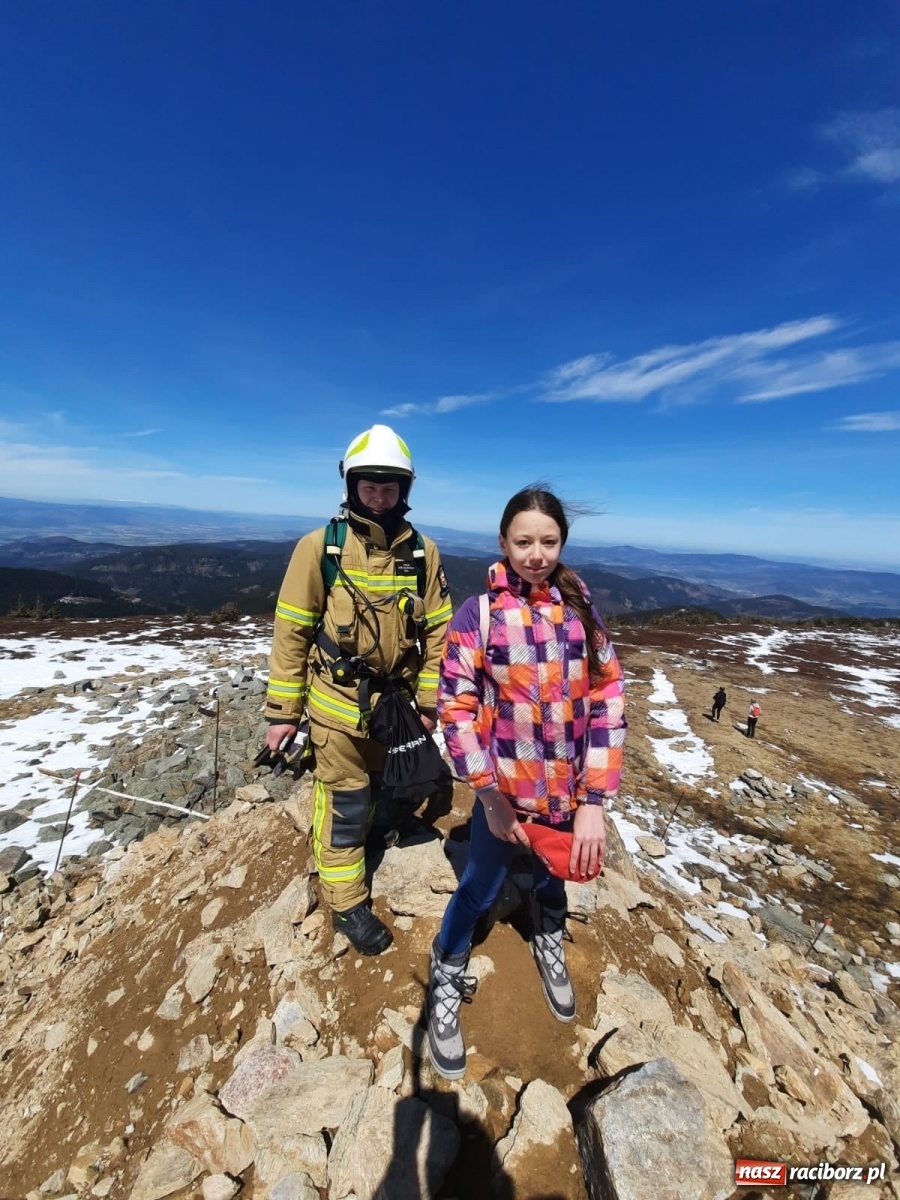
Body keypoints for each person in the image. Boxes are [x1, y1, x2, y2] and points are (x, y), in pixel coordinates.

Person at [426, 486, 626, 1079]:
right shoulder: (479, 613)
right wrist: (488, 798)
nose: (536, 554)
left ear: (562, 542)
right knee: (482, 887)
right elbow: (455, 708)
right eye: (524, 541)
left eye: (548, 541)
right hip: (504, 797)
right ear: (503, 543)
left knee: (551, 873)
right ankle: (446, 962)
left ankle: (547, 930)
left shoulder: (580, 612)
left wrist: (594, 802)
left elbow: (608, 699)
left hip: (565, 794)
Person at [264, 424, 452, 955]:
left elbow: (439, 632)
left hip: (394, 710)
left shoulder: (422, 554)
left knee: (382, 788)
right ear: (350, 485)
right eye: (369, 485)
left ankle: (373, 832)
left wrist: (430, 702)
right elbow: (292, 632)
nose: (380, 495)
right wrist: (283, 713)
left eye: (390, 486)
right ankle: (346, 901)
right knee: (346, 803)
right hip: (335, 709)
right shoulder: (319, 549)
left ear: (405, 491)